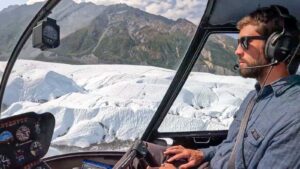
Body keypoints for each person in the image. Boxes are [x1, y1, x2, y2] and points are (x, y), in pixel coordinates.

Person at [144, 5, 300, 169]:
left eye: (245, 42)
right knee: (142, 152)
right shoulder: (254, 98)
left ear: (276, 47)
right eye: (238, 43)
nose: (237, 51)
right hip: (209, 164)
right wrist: (202, 154)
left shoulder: (294, 117)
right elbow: (231, 147)